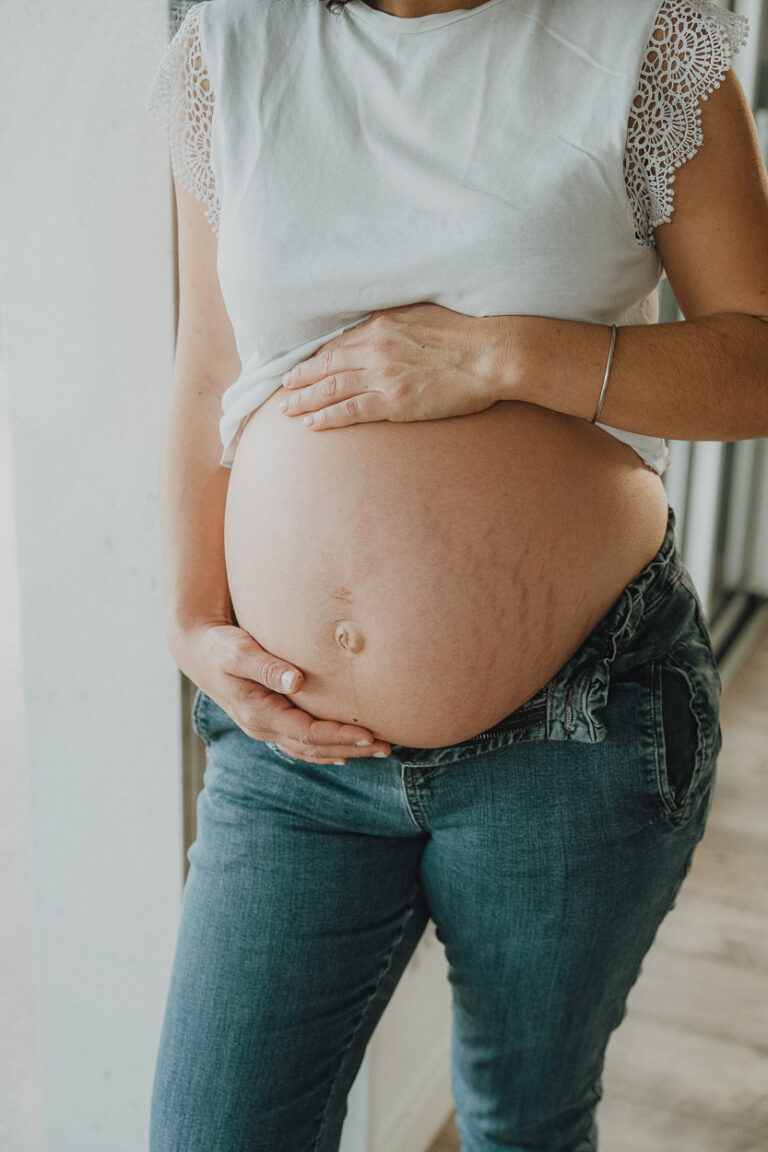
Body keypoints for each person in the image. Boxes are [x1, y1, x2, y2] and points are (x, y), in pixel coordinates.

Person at [145, 0, 766, 1147]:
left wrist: (503, 355)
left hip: (579, 728)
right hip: (294, 750)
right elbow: (206, 370)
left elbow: (758, 355)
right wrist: (189, 620)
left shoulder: (642, 35)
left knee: (524, 1119)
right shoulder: (228, 51)